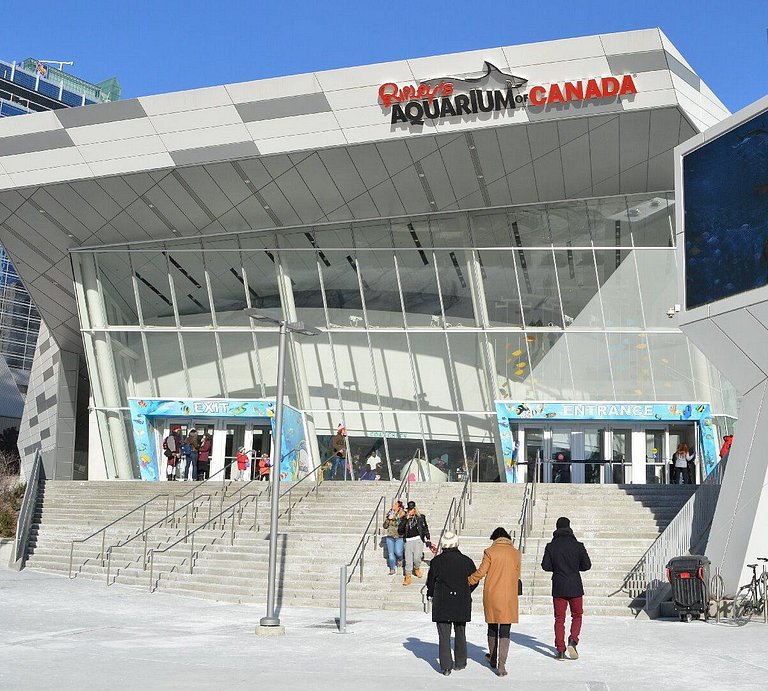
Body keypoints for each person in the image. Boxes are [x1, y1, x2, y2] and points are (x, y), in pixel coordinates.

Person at [468, 526, 521, 677]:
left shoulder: (490, 551)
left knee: (492, 625)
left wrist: (469, 580)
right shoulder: (516, 553)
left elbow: (481, 572)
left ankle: (492, 658)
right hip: (509, 595)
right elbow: (517, 574)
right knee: (505, 628)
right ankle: (502, 665)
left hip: (492, 594)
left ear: (495, 538)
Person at [426, 531, 478, 676]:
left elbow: (431, 582)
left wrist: (431, 594)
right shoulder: (466, 561)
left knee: (444, 635)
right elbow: (474, 580)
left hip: (442, 601)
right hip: (461, 600)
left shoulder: (436, 561)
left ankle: (446, 666)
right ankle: (460, 662)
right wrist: (467, 591)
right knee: (460, 632)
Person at [541, 516, 592, 661]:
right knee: (577, 615)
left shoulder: (551, 546)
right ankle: (573, 640)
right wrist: (574, 567)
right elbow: (587, 565)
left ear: (557, 528)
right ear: (569, 527)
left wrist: (558, 567)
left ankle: (560, 650)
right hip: (575, 585)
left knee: (559, 619)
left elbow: (545, 566)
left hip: (559, 586)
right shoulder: (578, 546)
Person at [398, 500, 431, 586]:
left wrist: (428, 537)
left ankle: (417, 568)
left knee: (417, 557)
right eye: (409, 509)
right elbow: (400, 531)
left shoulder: (421, 517)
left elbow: (425, 527)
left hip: (418, 539)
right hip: (408, 540)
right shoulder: (404, 518)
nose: (410, 511)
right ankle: (408, 575)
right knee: (408, 559)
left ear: (415, 509)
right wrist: (405, 520)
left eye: (411, 509)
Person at [383, 500, 405, 575]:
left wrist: (394, 518)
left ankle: (400, 559)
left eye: (395, 504)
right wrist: (388, 519)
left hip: (399, 536)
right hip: (390, 536)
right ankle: (392, 568)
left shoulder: (402, 514)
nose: (393, 505)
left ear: (399, 507)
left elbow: (402, 524)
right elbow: (385, 526)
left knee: (398, 552)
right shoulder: (389, 514)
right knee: (391, 554)